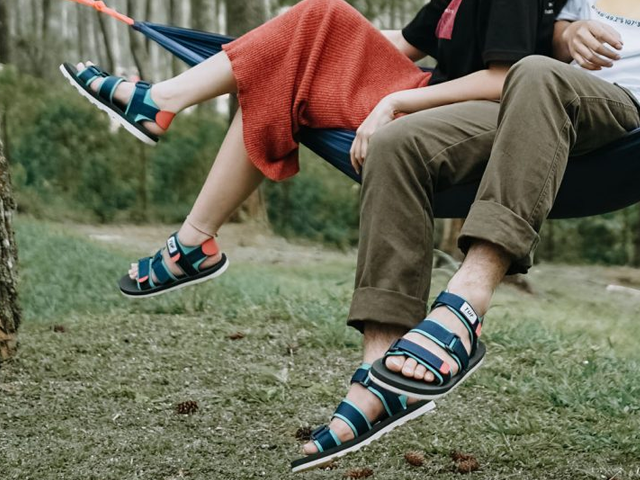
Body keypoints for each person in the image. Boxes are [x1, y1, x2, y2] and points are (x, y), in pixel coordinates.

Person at [61, 0, 557, 301]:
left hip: (447, 116)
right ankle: (192, 238)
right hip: (420, 90)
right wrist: (279, 41)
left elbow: (505, 80)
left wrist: (395, 101)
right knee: (282, 63)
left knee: (302, 41)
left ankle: (161, 108)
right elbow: (403, 44)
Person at [325, 0, 639, 470]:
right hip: (533, 107)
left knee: (534, 70)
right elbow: (560, 31)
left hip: (618, 109)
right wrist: (570, 36)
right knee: (396, 144)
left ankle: (467, 301)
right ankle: (380, 367)